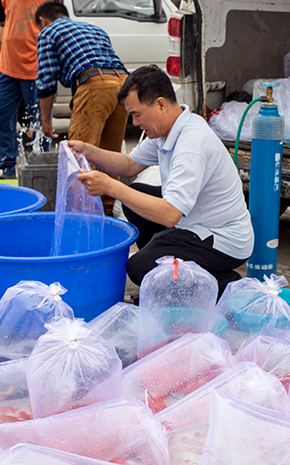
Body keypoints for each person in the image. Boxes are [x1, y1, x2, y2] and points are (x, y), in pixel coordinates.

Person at [68, 65, 253, 297]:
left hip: (222, 238)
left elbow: (170, 214)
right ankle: (168, 263)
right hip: (193, 221)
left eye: (136, 114)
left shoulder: (191, 144)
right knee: (134, 195)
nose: (134, 123)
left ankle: (226, 286)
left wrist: (111, 187)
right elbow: (129, 165)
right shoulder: (167, 129)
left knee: (139, 268)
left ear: (161, 104)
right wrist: (88, 150)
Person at [34, 0, 130, 214]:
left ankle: (78, 217)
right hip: (124, 84)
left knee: (79, 157)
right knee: (109, 156)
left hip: (94, 85)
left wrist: (46, 121)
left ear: (42, 20)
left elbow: (46, 81)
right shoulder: (95, 28)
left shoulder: (48, 32)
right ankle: (105, 213)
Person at [0, 0, 62, 178]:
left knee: (39, 122)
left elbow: (59, 30)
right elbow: (3, 24)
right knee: (0, 115)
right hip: (8, 67)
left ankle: (40, 168)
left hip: (37, 69)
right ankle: (7, 167)